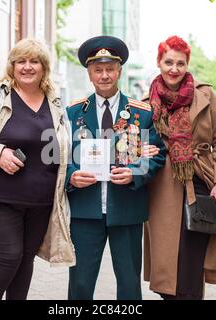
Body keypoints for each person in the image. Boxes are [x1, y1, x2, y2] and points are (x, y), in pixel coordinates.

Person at [0, 38, 75, 300]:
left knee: (25, 259)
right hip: (1, 196)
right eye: (21, 61)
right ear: (12, 65)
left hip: (41, 201)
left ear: (44, 67)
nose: (27, 67)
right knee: (8, 256)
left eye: (34, 61)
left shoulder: (54, 102)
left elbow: (57, 148)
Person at [65, 36, 166, 300]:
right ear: (89, 74)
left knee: (130, 285)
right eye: (98, 70)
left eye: (110, 69)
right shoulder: (73, 113)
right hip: (85, 211)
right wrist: (71, 176)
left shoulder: (141, 113)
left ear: (119, 71)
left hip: (127, 210)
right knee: (81, 284)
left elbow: (156, 155)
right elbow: (57, 157)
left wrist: (135, 172)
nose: (105, 75)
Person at [143, 35, 216, 300]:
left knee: (191, 266)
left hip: (201, 186)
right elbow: (134, 146)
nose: (174, 68)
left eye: (180, 63)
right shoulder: (145, 101)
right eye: (168, 62)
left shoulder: (205, 95)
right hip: (161, 190)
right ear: (159, 62)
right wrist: (141, 152)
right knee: (165, 267)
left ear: (187, 65)